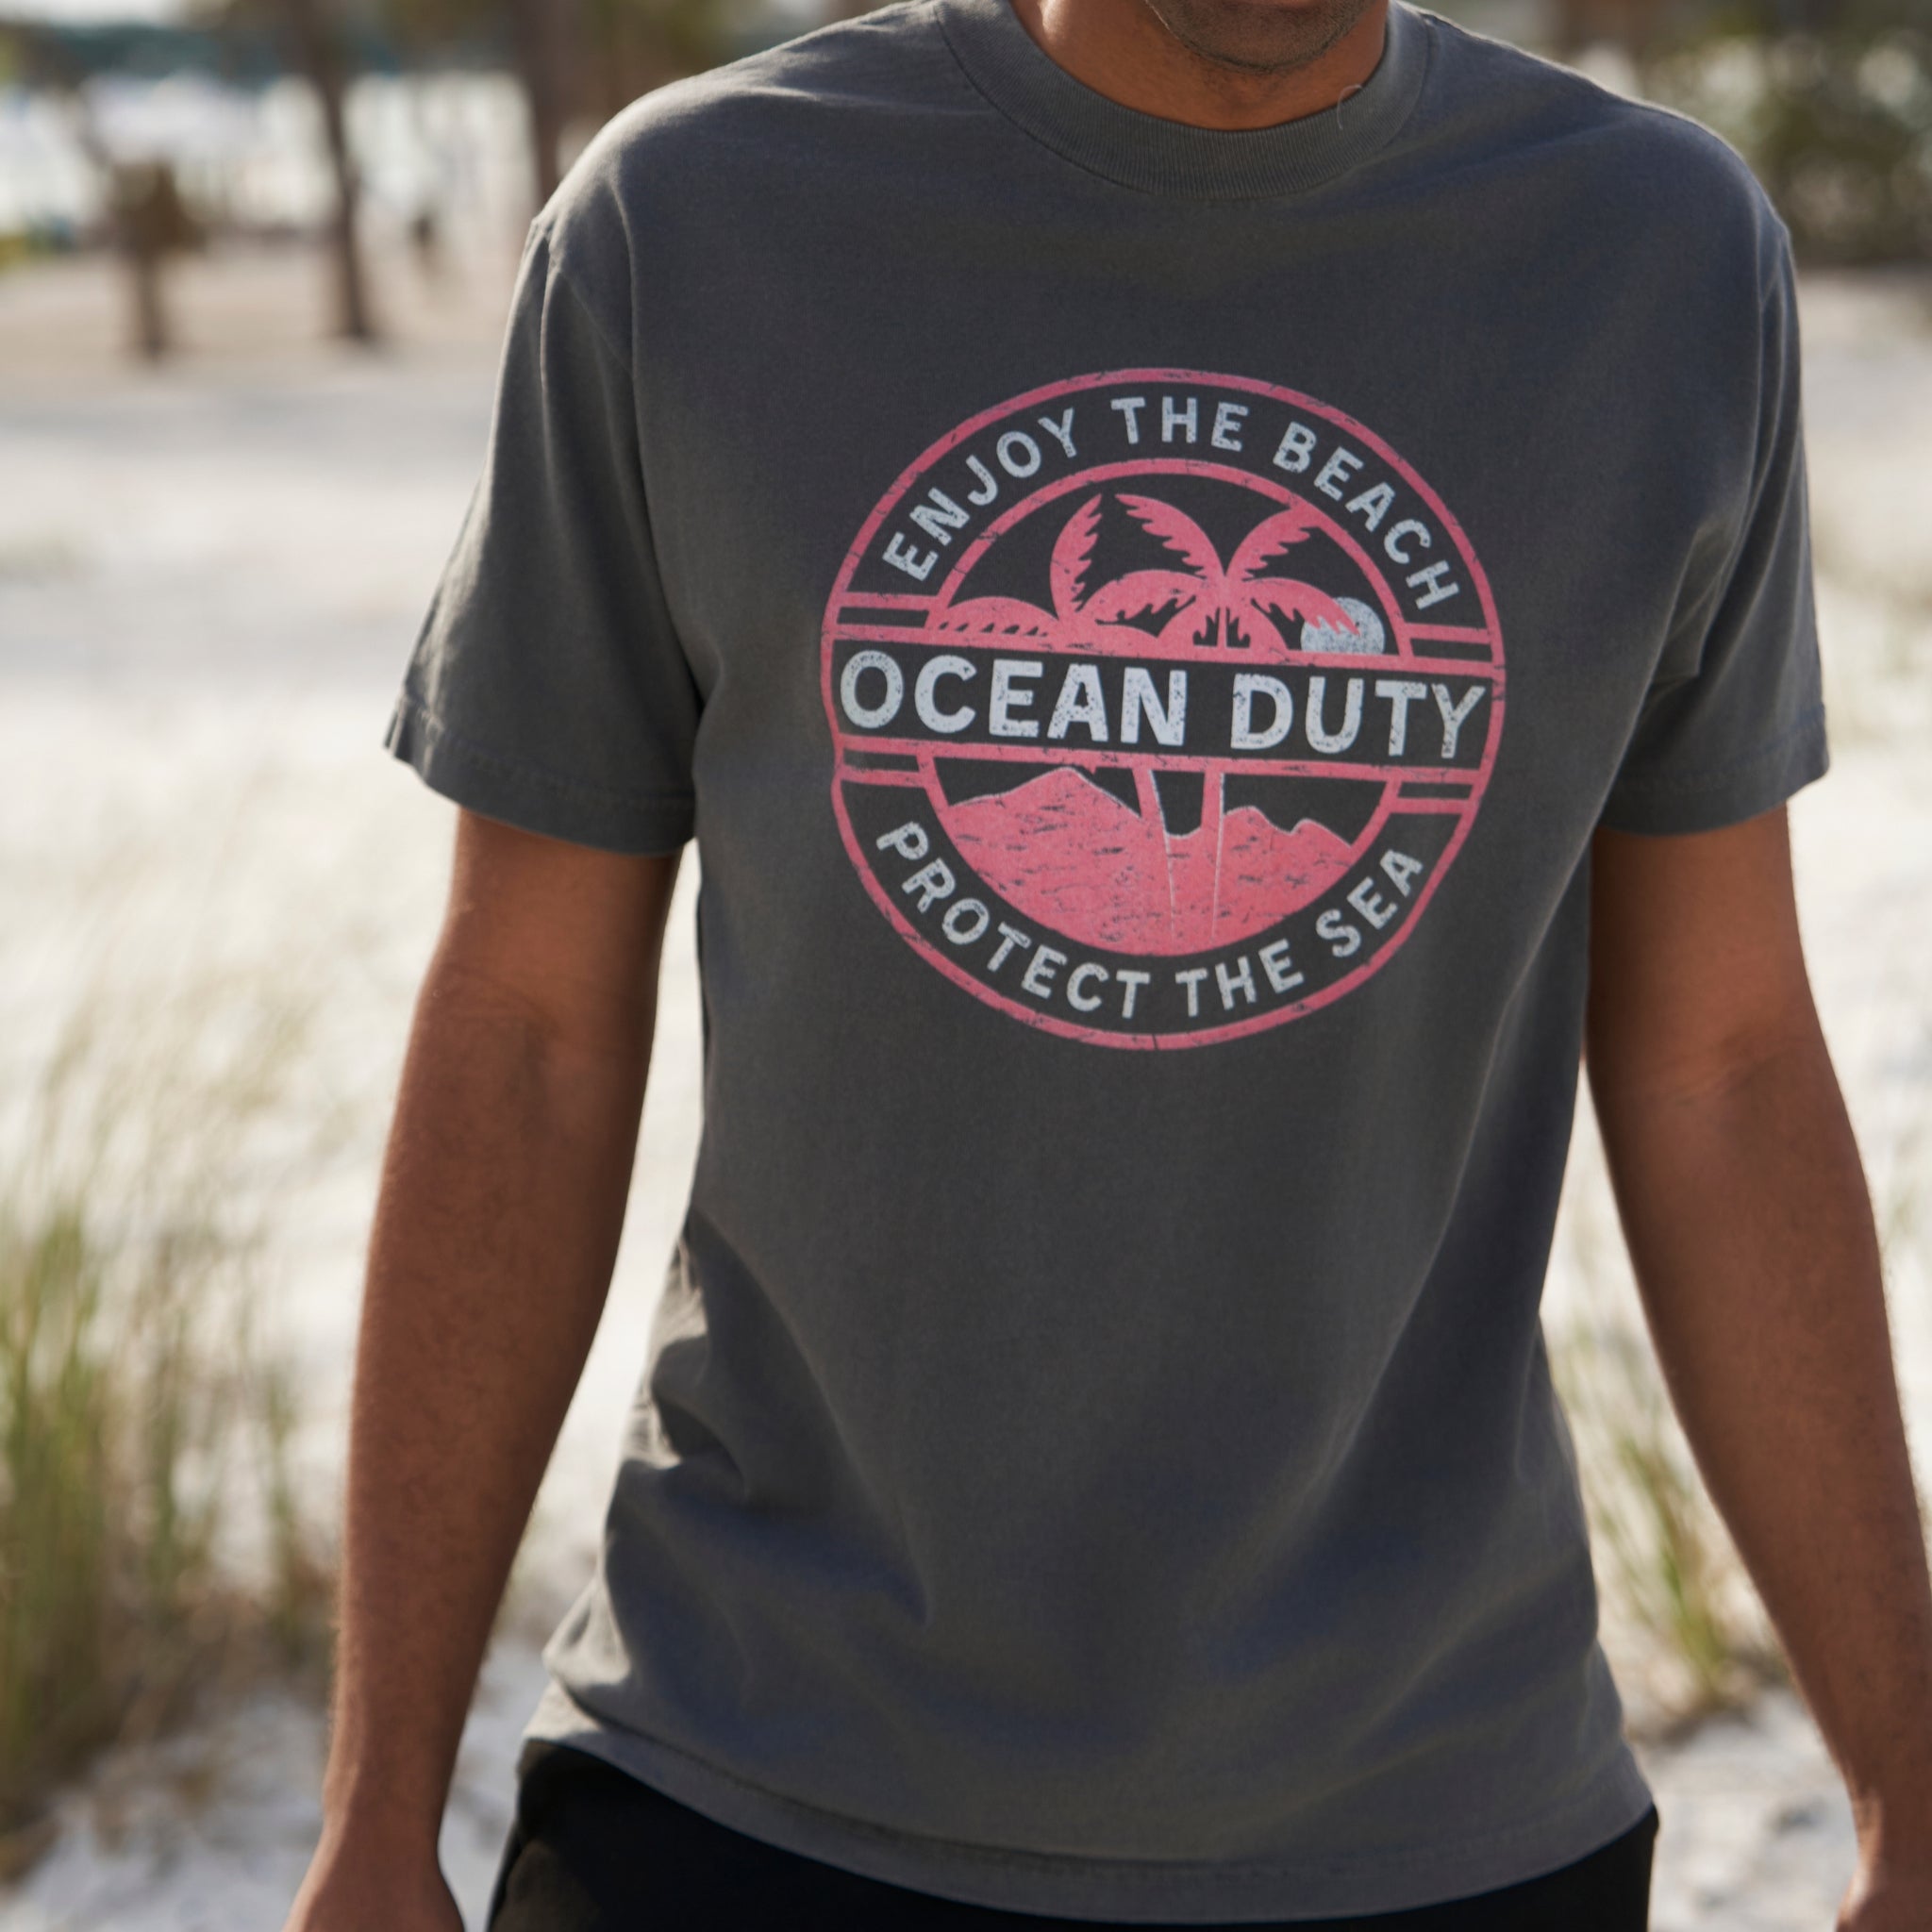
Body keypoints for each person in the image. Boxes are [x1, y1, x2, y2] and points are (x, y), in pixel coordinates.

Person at [284, 0, 1932, 1922]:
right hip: (752, 1786)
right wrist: (375, 1808)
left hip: (1441, 1811)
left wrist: (1903, 1776)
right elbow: (529, 1035)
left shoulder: (1652, 258)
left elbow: (1719, 1066)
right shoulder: (697, 222)